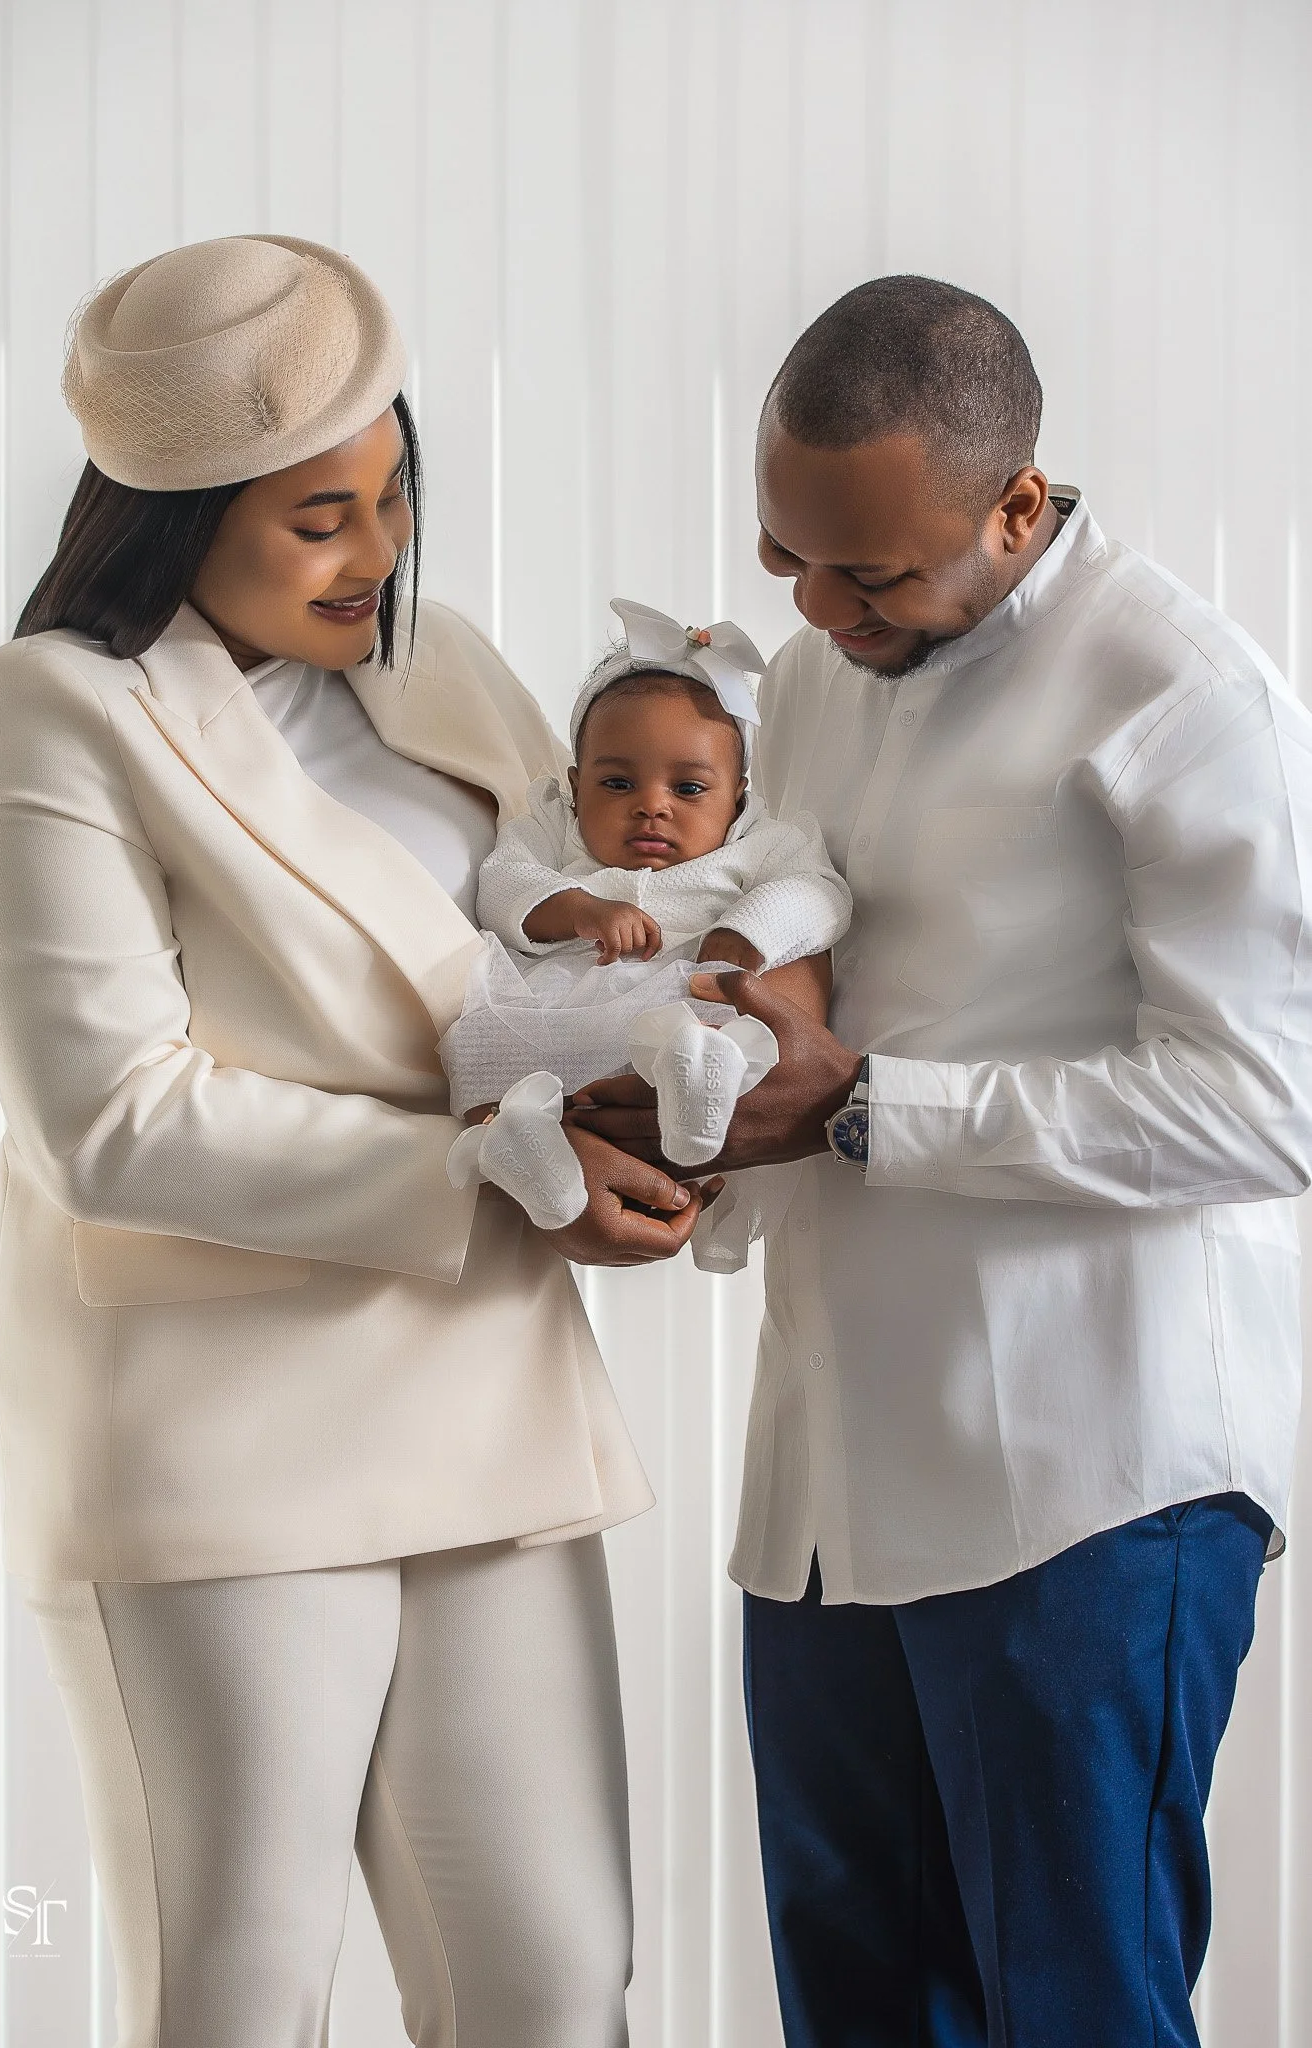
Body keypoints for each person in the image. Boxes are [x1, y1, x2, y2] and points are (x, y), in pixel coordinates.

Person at [0, 234, 711, 2048]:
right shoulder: (51, 710)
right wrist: (482, 1173)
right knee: (241, 1988)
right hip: (224, 1430)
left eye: (392, 495)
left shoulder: (445, 669)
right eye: (317, 518)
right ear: (174, 515)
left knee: (552, 1977)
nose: (377, 555)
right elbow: (112, 1117)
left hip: (491, 1401)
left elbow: (587, 937)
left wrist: (665, 1095)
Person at [573, 274, 1312, 2047]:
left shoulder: (1183, 692)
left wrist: (863, 1106)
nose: (821, 614)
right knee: (857, 2013)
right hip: (833, 1491)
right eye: (788, 559)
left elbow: (1266, 1102)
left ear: (1017, 503)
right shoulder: (825, 673)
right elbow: (805, 976)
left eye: (873, 577)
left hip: (1088, 1485)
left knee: (1073, 2014)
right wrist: (691, 1139)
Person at [439, 596, 851, 1230]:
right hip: (553, 1009)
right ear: (575, 786)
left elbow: (819, 894)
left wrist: (743, 935)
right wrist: (575, 908)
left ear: (737, 796)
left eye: (688, 788)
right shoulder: (553, 827)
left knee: (731, 1024)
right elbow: (502, 885)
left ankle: (698, 1084)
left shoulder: (763, 840)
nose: (651, 806)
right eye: (617, 783)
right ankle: (515, 1144)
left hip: (679, 996)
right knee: (473, 1038)